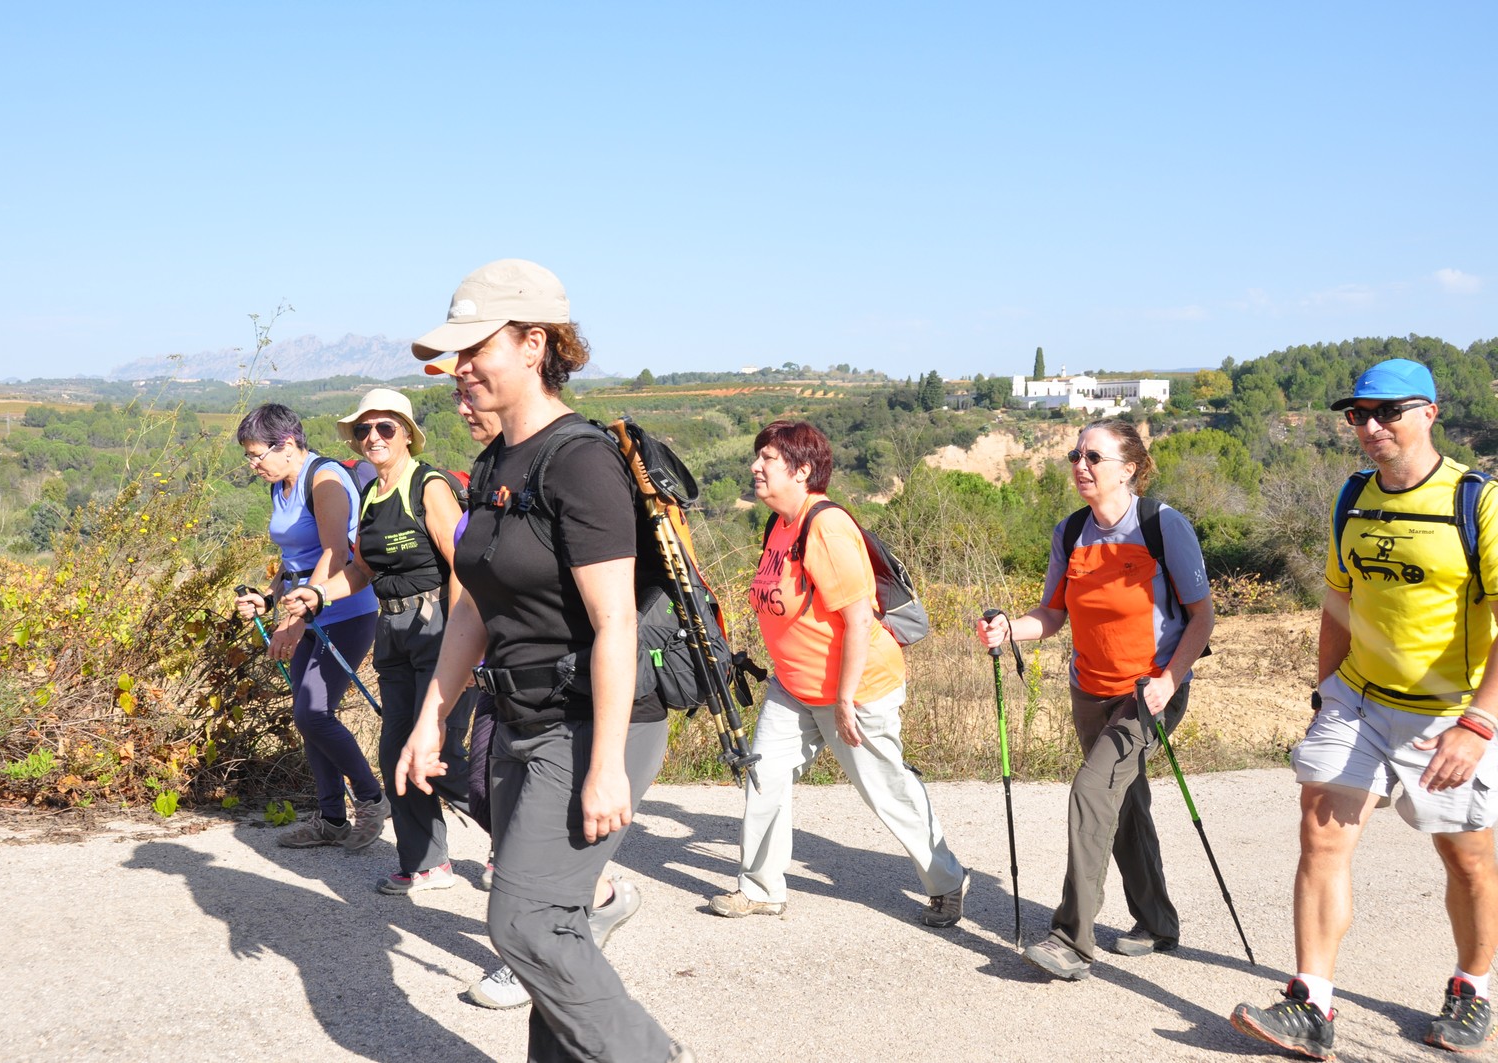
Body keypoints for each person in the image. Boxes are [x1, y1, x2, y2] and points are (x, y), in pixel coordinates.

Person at [399, 259, 690, 1062]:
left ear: (534, 345)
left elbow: (614, 622)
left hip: (592, 720)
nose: (460, 366)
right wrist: (432, 716)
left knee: (523, 920)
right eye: (456, 352)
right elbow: (473, 603)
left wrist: (606, 767)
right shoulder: (497, 460)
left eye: (476, 348)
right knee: (553, 927)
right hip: (518, 715)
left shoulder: (580, 461)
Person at [1231, 359, 1498, 1059]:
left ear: (1430, 412)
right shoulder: (1352, 496)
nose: (1371, 426)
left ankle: (1472, 987)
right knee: (1320, 834)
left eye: (1388, 412)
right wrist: (1326, 692)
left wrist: (1478, 724)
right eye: (1359, 414)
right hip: (1358, 700)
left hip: (1449, 714)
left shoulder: (1477, 501)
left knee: (1467, 860)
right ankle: (1310, 1003)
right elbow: (1338, 601)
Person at [977, 417, 1213, 981]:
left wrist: (1170, 680)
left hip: (1149, 692)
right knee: (1121, 802)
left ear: (1129, 468)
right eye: (1075, 456)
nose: (1080, 466)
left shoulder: (1162, 525)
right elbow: (1051, 614)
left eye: (1094, 457)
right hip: (1090, 690)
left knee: (1091, 791)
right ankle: (1157, 923)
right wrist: (1010, 628)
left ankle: (1070, 941)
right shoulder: (1070, 532)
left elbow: (1202, 616)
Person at [708, 419, 969, 926]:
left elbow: (858, 619)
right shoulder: (779, 525)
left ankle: (947, 880)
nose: (755, 467)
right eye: (757, 456)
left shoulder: (825, 526)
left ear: (802, 471)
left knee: (885, 789)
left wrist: (845, 699)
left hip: (856, 688)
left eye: (767, 458)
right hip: (794, 685)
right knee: (764, 776)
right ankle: (760, 889)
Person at [279, 388, 474, 896]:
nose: (373, 437)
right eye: (364, 429)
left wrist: (461, 637)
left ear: (407, 434)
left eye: (385, 427)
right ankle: (426, 865)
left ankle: (528, 848)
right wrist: (317, 595)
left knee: (440, 756)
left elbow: (464, 565)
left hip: (437, 630)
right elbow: (361, 570)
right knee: (394, 754)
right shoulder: (372, 493)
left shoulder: (428, 486)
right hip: (393, 634)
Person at [234, 403, 387, 850]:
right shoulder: (280, 484)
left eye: (257, 455)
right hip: (305, 610)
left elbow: (334, 554)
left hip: (346, 611)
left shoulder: (324, 480)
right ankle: (332, 820)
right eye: (249, 456)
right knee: (308, 716)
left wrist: (297, 618)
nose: (253, 465)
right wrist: (267, 598)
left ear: (286, 444)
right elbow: (294, 560)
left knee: (313, 713)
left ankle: (372, 799)